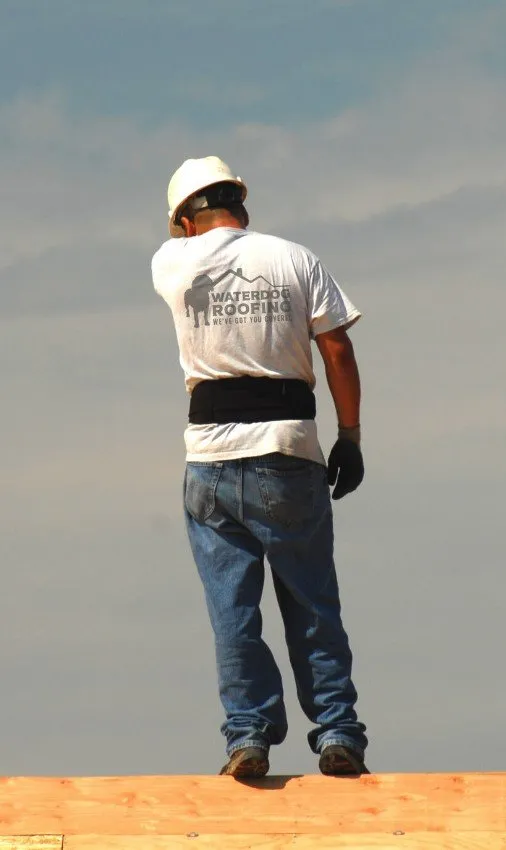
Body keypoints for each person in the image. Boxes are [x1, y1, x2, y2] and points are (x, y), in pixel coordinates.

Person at [151, 156, 369, 778]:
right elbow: (338, 349)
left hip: (211, 462)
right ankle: (336, 732)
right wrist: (348, 435)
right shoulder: (295, 259)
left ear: (186, 220)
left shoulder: (171, 264)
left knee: (233, 609)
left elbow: (183, 249)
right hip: (288, 451)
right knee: (311, 600)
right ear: (240, 205)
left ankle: (246, 735)